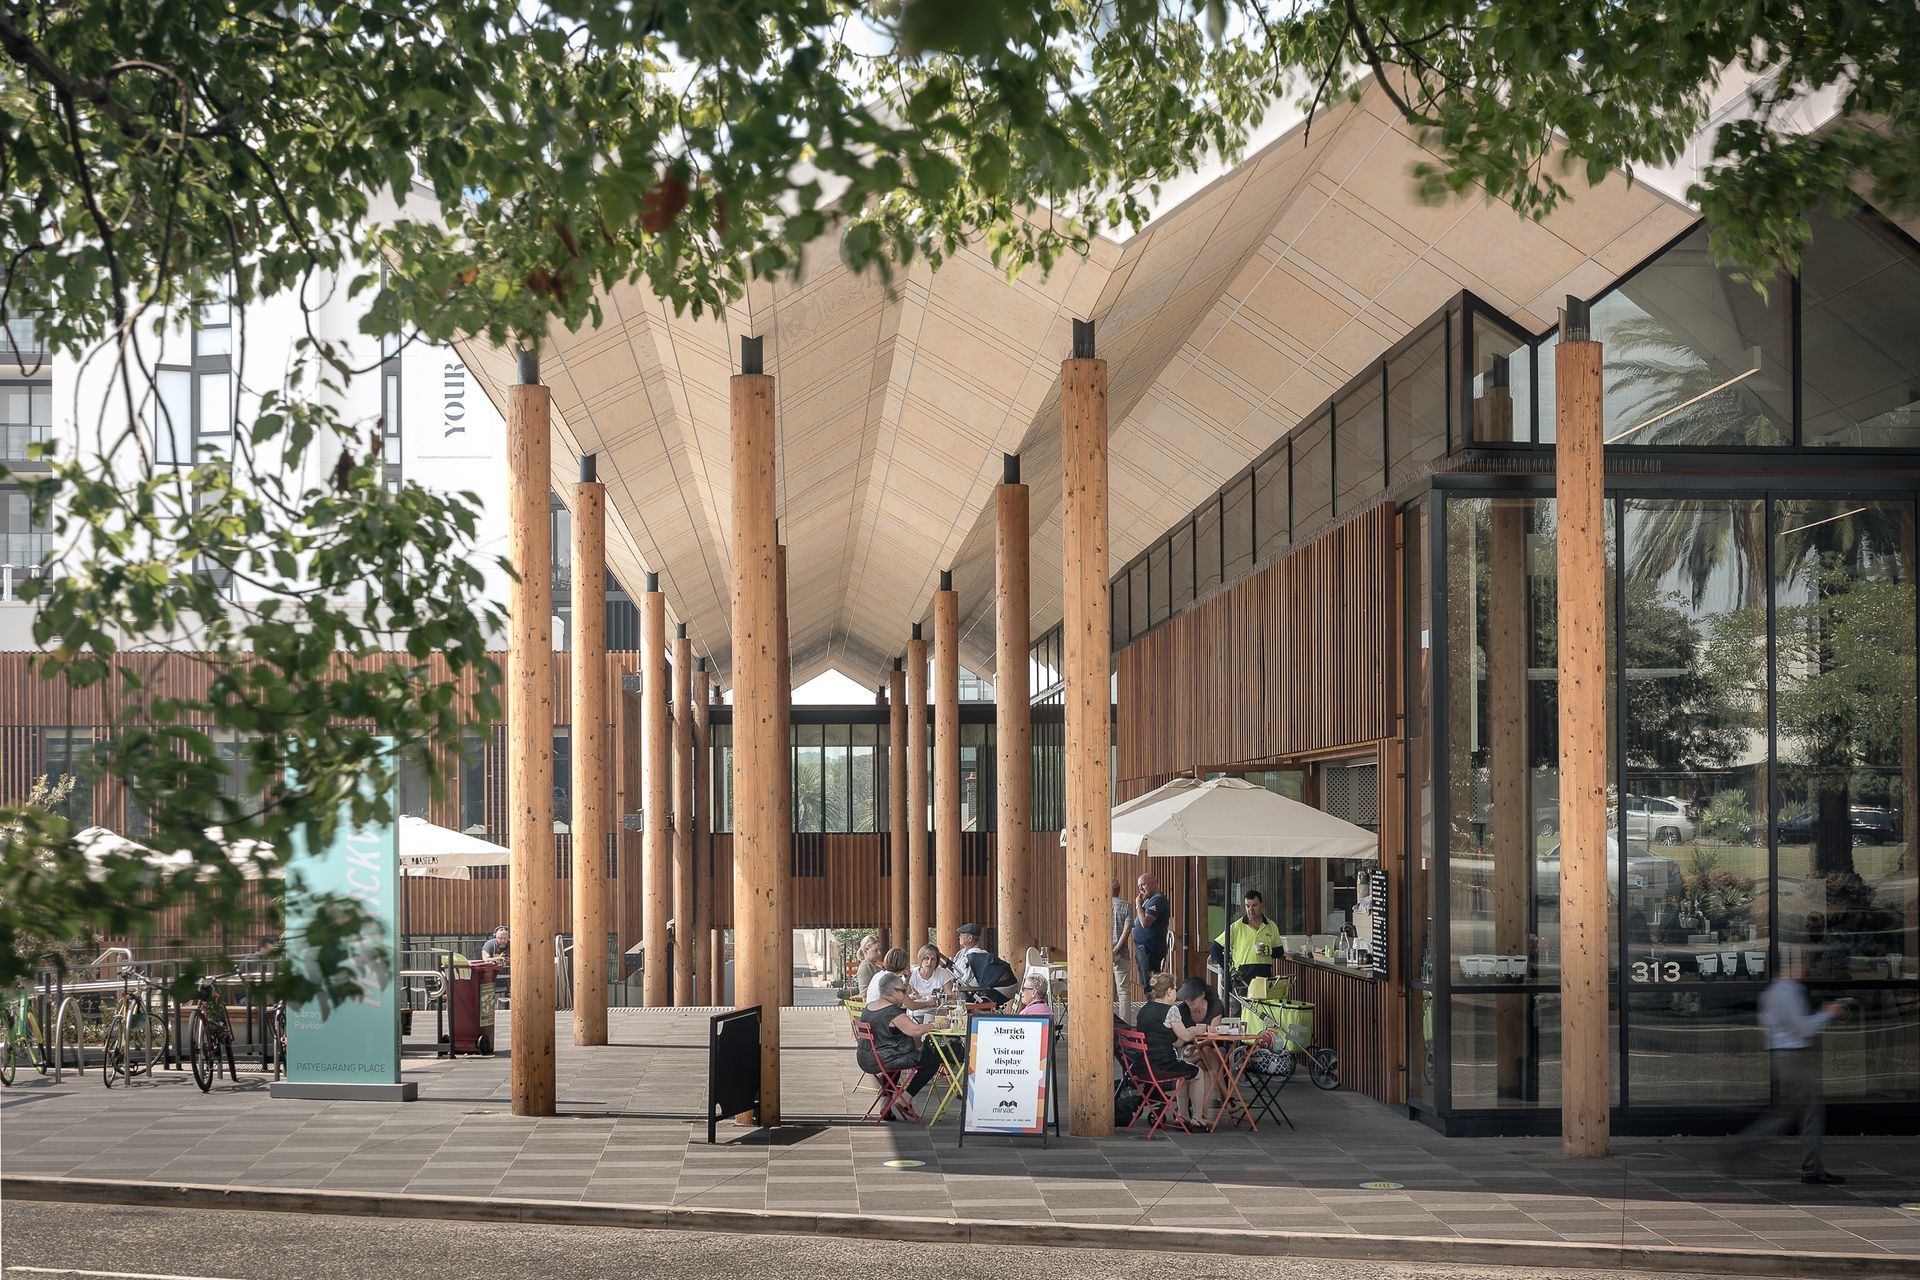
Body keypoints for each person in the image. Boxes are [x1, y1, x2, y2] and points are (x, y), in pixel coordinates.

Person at [1728, 954, 1851, 1184]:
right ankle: (1810, 1168)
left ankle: (1747, 1144)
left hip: (1780, 1055)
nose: (1806, 968)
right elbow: (1803, 1029)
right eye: (1802, 963)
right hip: (1794, 1057)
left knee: (1790, 1112)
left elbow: (1768, 1025)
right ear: (1790, 966)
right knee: (1807, 1113)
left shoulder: (1771, 992)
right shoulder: (1789, 992)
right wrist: (1828, 1013)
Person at [857, 972, 943, 1114]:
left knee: (900, 1058)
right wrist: (938, 1025)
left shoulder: (870, 1007)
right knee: (933, 1059)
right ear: (892, 991)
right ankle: (905, 1100)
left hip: (867, 1057)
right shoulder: (892, 1011)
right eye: (903, 990)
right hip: (884, 1058)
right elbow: (916, 1030)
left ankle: (886, 1101)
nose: (905, 994)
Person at [1133, 972, 1211, 1125]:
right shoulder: (1171, 1010)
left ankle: (1182, 1115)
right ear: (1169, 991)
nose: (1176, 992)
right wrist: (1198, 1029)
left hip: (1143, 1065)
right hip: (1163, 1065)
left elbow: (1176, 1041)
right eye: (1175, 989)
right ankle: (1197, 1117)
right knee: (1198, 1073)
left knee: (1185, 1071)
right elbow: (1186, 1036)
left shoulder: (1144, 1009)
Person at [1210, 890, 1282, 1007]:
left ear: (1261, 905)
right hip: (1242, 977)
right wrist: (1229, 970)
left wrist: (1270, 951)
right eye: (1247, 906)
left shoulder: (1271, 926)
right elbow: (1215, 948)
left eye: (1254, 905)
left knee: (1262, 1014)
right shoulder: (1236, 927)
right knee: (1241, 1014)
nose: (1250, 909)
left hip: (1264, 976)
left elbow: (1280, 952)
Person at [952, 923, 1018, 1001]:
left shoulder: (975, 955)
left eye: (962, 935)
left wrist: (958, 986)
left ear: (970, 938)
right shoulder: (960, 954)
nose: (959, 937)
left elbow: (966, 978)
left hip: (974, 991)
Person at [1132, 871, 1171, 995]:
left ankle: (1154, 1010)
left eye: (1143, 885)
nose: (1141, 888)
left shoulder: (1157, 899)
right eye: (1139, 886)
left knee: (1151, 984)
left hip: (1150, 948)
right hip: (1144, 948)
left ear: (1154, 884)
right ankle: (1152, 1008)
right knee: (1146, 982)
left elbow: (1145, 923)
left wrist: (1138, 905)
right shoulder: (1149, 900)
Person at [907, 944, 957, 1014]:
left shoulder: (942, 973)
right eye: (926, 958)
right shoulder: (912, 974)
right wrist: (913, 996)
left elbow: (952, 996)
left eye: (933, 959)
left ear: (937, 962)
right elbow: (903, 998)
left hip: (938, 1014)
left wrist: (940, 997)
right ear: (920, 958)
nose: (929, 962)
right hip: (916, 1014)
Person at [1110, 879, 1134, 1021]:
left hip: (1102, 953)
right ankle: (1125, 1025)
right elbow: (1127, 930)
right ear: (1119, 890)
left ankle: (1105, 1025)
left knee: (1103, 991)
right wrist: (1117, 949)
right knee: (1123, 992)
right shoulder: (1127, 906)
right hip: (1122, 953)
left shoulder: (1100, 905)